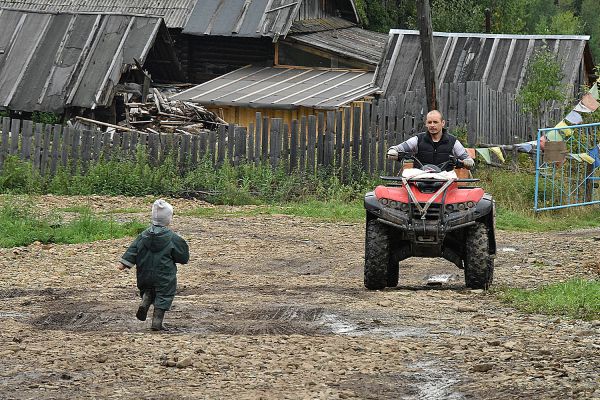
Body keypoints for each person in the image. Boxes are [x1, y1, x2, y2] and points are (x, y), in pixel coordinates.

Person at [117, 199, 189, 331]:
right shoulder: (173, 238)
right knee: (164, 295)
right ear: (168, 219)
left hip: (144, 273)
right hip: (164, 275)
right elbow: (183, 257)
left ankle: (145, 301)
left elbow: (132, 250)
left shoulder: (142, 235)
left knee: (148, 289)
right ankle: (157, 322)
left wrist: (124, 264)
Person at [387, 110, 475, 171]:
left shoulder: (453, 142)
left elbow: (467, 159)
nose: (432, 125)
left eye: (435, 122)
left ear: (443, 123)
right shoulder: (418, 139)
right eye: (429, 122)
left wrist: (468, 162)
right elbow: (399, 148)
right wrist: (393, 151)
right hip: (421, 179)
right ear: (426, 123)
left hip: (445, 180)